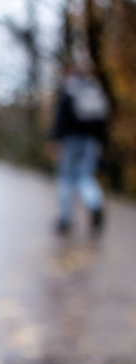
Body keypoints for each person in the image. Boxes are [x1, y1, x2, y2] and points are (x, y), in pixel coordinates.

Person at [47, 65, 110, 236]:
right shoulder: (93, 90)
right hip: (91, 142)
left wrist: (55, 140)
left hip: (69, 142)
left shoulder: (68, 91)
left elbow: (59, 120)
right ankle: (95, 203)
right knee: (85, 176)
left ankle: (65, 220)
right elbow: (103, 121)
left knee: (66, 178)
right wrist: (102, 143)